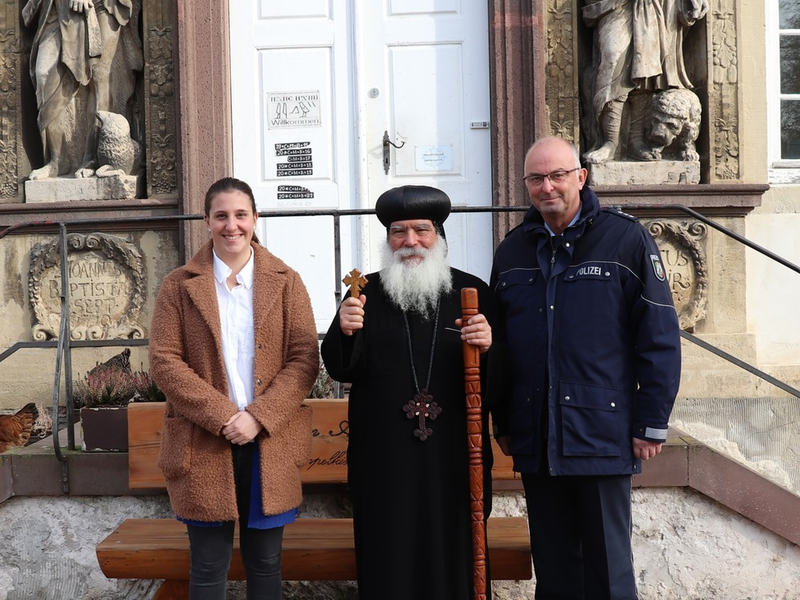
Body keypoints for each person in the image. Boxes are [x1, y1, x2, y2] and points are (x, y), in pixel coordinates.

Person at [491, 137, 681, 599]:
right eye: (536, 178)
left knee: (609, 570)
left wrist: (652, 422)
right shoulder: (513, 250)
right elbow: (502, 350)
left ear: (581, 176)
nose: (546, 187)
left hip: (602, 430)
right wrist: (505, 421)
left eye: (557, 175)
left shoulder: (625, 238)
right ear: (526, 185)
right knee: (555, 572)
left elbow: (658, 336)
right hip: (536, 433)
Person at [321, 185, 495, 600]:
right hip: (385, 459)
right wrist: (344, 332)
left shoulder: (472, 293)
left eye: (422, 230)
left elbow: (502, 375)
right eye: (398, 232)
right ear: (387, 240)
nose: (410, 241)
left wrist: (489, 345)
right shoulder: (364, 294)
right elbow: (341, 367)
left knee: (453, 551)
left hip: (453, 452)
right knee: (389, 552)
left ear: (439, 237)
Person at [149, 177, 319, 600]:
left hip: (269, 442)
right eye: (221, 215)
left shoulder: (287, 280)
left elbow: (303, 359)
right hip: (203, 441)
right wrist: (226, 417)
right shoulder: (178, 285)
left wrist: (258, 417)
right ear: (206, 220)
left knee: (265, 565)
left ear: (255, 218)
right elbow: (164, 361)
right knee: (207, 567)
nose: (232, 225)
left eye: (241, 215)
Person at [22, 0, 143, 179]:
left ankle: (93, 158)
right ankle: (56, 161)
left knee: (100, 76)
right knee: (44, 74)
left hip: (103, 5)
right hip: (59, 6)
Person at [582, 0, 709, 163]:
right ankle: (610, 142)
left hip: (655, 6)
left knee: (645, 73)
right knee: (612, 60)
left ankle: (636, 140)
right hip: (616, 5)